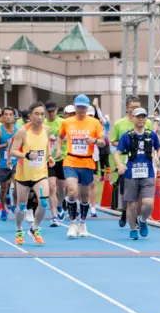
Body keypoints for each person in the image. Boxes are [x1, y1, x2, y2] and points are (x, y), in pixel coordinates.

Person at [58, 94, 105, 238]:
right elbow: (60, 136)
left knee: (84, 195)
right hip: (71, 161)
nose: (81, 110)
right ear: (74, 106)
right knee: (72, 191)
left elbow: (103, 141)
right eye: (79, 107)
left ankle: (82, 223)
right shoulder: (67, 122)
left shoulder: (94, 123)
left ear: (87, 108)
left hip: (87, 162)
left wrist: (94, 140)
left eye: (84, 107)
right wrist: (59, 149)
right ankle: (72, 223)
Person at [114, 108, 160, 240]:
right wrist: (119, 165)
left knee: (148, 203)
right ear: (133, 118)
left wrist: (158, 156)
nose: (141, 119)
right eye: (138, 117)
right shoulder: (126, 136)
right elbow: (117, 153)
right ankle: (133, 228)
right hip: (131, 175)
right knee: (132, 204)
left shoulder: (151, 135)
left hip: (148, 173)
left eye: (143, 117)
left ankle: (143, 220)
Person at [10, 102, 53, 245]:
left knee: (44, 202)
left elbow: (46, 145)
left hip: (40, 174)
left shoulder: (46, 129)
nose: (40, 117)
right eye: (37, 114)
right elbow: (13, 151)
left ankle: (34, 228)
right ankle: (18, 229)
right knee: (21, 206)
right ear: (30, 116)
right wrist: (26, 155)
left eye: (42, 114)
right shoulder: (22, 131)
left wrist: (50, 156)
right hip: (23, 175)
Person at [109, 95, 150, 227]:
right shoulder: (119, 124)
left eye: (138, 107)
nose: (135, 110)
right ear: (127, 108)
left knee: (140, 194)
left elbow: (152, 140)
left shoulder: (146, 122)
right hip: (125, 163)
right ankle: (124, 211)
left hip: (142, 163)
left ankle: (136, 218)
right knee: (125, 193)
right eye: (133, 107)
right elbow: (113, 140)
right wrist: (126, 146)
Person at [0, 107, 18, 221]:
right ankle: (3, 208)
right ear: (2, 117)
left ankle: (15, 206)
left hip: (16, 162)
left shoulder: (18, 130)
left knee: (17, 186)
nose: (8, 116)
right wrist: (5, 145)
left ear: (13, 116)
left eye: (10, 114)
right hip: (3, 163)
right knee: (3, 189)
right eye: (6, 114)